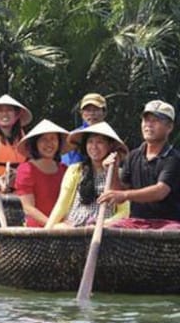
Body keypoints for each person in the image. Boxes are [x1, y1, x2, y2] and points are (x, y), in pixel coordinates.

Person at [99, 100, 180, 228]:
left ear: (169, 127)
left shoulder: (173, 159)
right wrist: (113, 170)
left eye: (155, 120)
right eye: (146, 120)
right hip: (137, 222)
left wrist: (125, 195)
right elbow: (119, 192)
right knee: (108, 230)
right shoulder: (133, 155)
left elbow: (160, 191)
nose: (148, 125)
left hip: (167, 223)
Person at [45, 122, 129, 228]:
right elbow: (62, 205)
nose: (94, 146)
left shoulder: (119, 173)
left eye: (100, 142)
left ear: (110, 146)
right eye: (90, 142)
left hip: (105, 231)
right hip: (73, 228)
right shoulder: (75, 170)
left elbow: (124, 213)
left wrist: (102, 224)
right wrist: (47, 230)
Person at [13, 119, 68, 227]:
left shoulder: (64, 169)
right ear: (35, 143)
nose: (49, 144)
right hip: (37, 231)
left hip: (64, 227)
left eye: (53, 139)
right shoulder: (26, 169)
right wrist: (52, 226)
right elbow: (28, 207)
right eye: (44, 139)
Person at [61, 92, 108, 166]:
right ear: (81, 113)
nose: (92, 113)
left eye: (96, 109)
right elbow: (66, 164)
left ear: (104, 113)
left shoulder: (110, 136)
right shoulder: (73, 137)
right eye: (88, 110)